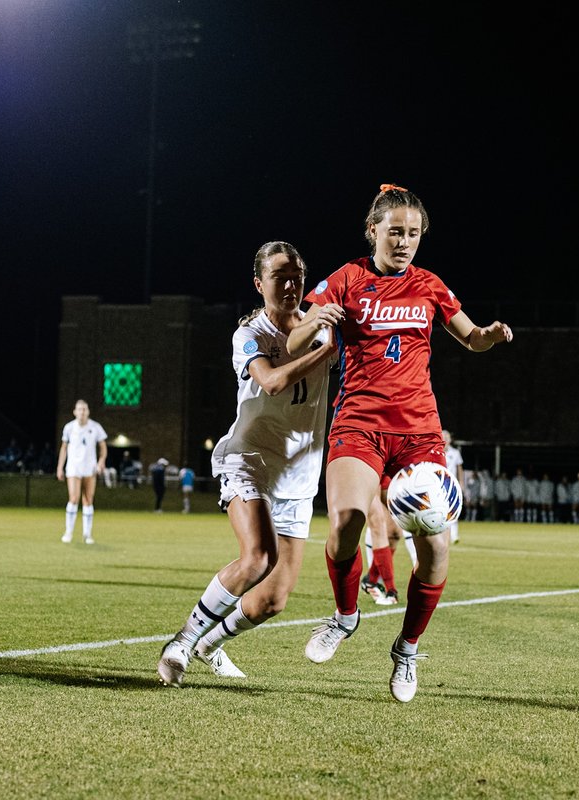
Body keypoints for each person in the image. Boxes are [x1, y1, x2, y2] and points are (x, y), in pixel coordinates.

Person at [284, 184, 513, 702]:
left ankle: (407, 649)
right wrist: (314, 318)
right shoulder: (346, 279)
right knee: (346, 523)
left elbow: (470, 336)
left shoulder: (429, 285)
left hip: (419, 431)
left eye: (413, 233)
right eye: (395, 232)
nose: (405, 242)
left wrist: (489, 335)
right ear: (373, 231)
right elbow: (295, 341)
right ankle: (345, 616)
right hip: (358, 422)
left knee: (436, 548)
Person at [157, 240, 335, 687]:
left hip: (299, 474)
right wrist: (325, 351)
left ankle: (210, 643)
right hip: (249, 458)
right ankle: (181, 642)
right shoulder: (249, 334)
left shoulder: (319, 325)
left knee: (273, 600)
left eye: (297, 276)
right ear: (259, 284)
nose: (290, 286)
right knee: (258, 557)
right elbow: (271, 382)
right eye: (279, 277)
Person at [56, 399, 108, 545]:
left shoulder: (95, 427)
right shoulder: (69, 427)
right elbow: (64, 448)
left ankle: (87, 534)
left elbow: (103, 447)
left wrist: (101, 461)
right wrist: (60, 467)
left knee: (88, 500)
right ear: (75, 412)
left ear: (88, 411)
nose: (82, 412)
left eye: (84, 409)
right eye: (79, 409)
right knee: (73, 498)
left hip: (89, 468)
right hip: (73, 468)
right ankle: (68, 532)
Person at [442, 429, 464, 543]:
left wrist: (461, 482)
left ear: (450, 440)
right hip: (438, 485)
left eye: (447, 437)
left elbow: (459, 469)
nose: (445, 439)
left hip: (451, 484)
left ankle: (454, 534)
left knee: (453, 509)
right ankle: (441, 532)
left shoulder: (455, 453)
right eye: (443, 437)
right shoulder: (436, 451)